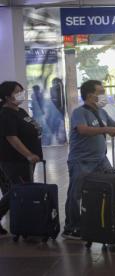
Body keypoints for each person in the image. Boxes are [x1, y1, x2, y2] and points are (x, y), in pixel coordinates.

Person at [62, 80, 115, 240]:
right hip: (82, 160)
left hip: (100, 159)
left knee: (111, 186)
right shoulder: (79, 112)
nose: (104, 95)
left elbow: (114, 125)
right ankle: (72, 227)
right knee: (76, 194)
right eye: (101, 92)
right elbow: (83, 130)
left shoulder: (101, 112)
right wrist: (106, 129)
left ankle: (105, 221)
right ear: (90, 95)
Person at [0, 81, 43, 236]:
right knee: (19, 190)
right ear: (7, 96)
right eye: (17, 91)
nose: (21, 93)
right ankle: (26, 226)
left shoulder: (21, 111)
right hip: (14, 160)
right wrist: (28, 154)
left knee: (19, 189)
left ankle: (26, 224)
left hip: (27, 160)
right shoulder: (6, 114)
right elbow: (12, 138)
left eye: (21, 90)